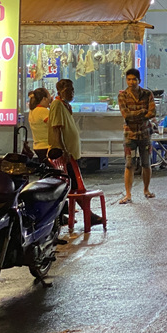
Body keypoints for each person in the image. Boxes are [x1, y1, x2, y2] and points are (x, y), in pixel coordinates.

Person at [49, 79, 104, 226]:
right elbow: (56, 129)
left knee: (73, 187)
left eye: (73, 90)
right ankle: (88, 216)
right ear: (61, 91)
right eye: (69, 90)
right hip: (65, 156)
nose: (72, 92)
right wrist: (64, 150)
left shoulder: (65, 106)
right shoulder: (57, 105)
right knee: (74, 187)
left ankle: (81, 215)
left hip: (72, 154)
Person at [118, 68, 156, 204]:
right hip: (130, 135)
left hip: (145, 134)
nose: (131, 82)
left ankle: (146, 190)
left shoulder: (147, 94)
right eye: (129, 79)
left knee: (146, 163)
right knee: (129, 165)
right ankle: (128, 194)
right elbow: (126, 115)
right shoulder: (122, 95)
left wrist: (134, 116)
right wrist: (142, 111)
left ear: (139, 80)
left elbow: (152, 113)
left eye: (134, 79)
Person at [28, 88, 52, 161]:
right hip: (47, 147)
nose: (50, 100)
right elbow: (54, 125)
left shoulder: (32, 111)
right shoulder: (43, 111)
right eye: (49, 97)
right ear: (44, 99)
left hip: (37, 146)